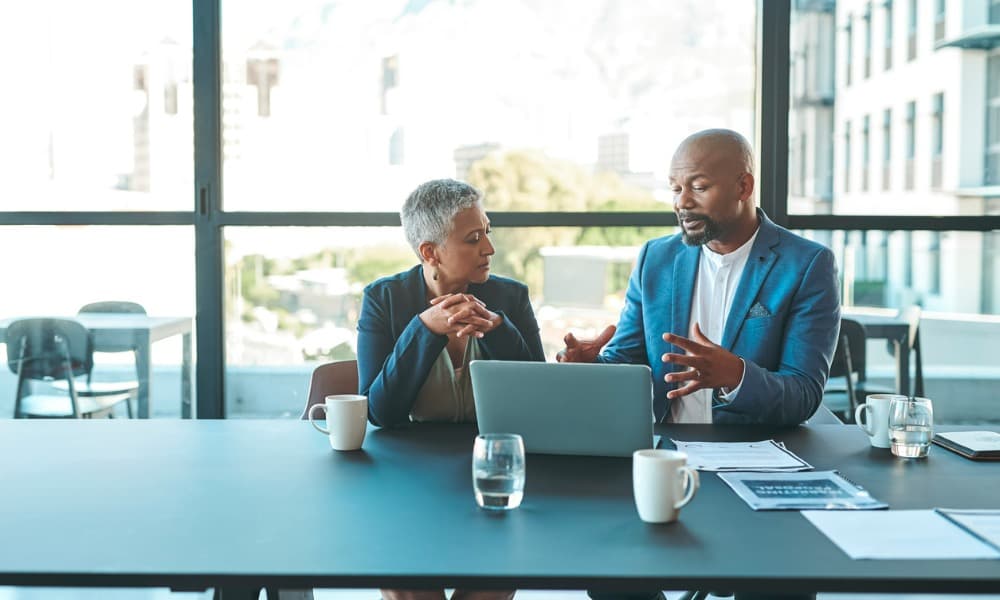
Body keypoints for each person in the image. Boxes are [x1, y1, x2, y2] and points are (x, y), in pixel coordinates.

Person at [560, 129, 839, 600]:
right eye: (674, 187)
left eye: (698, 186)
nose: (681, 201)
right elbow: (628, 362)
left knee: (780, 589)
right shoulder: (656, 258)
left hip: (758, 460)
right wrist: (594, 365)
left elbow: (804, 393)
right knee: (611, 578)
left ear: (744, 187)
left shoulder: (806, 264)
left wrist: (735, 376)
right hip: (665, 456)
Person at [357, 178, 543, 600]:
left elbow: (537, 396)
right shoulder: (383, 300)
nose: (489, 249)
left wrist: (498, 329)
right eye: (473, 239)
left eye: (487, 233)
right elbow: (380, 412)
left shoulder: (510, 299)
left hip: (490, 469)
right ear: (430, 252)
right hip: (404, 475)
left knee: (492, 581)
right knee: (409, 582)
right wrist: (424, 330)